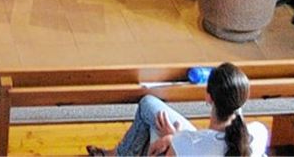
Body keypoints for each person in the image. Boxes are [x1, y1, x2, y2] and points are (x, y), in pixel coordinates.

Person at [85, 63, 269, 156]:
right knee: (152, 110)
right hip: (197, 143)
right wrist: (175, 138)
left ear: (208, 97)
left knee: (148, 105)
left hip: (190, 145)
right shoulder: (258, 133)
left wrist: (173, 139)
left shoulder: (187, 143)